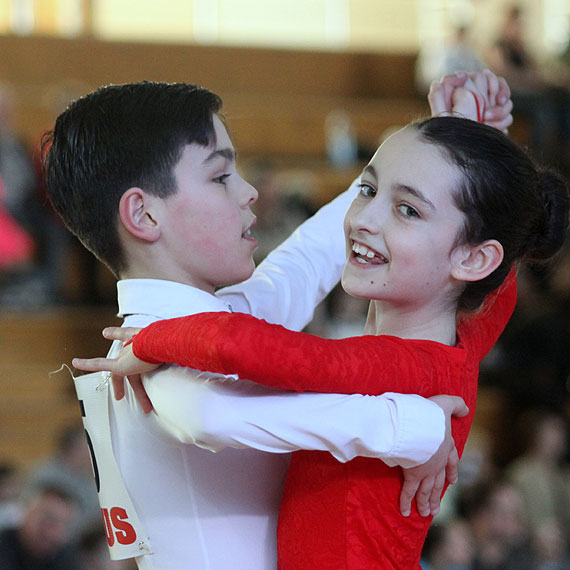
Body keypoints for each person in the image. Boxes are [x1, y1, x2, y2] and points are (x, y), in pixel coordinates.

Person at [49, 75, 510, 569]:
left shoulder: (208, 320)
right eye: (221, 176)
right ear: (142, 214)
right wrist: (411, 424)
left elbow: (310, 257)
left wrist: (453, 140)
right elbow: (211, 413)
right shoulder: (149, 357)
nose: (248, 191)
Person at [0, 483, 81, 570]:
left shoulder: (65, 557)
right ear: (27, 511)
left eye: (66, 526)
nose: (54, 534)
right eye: (49, 520)